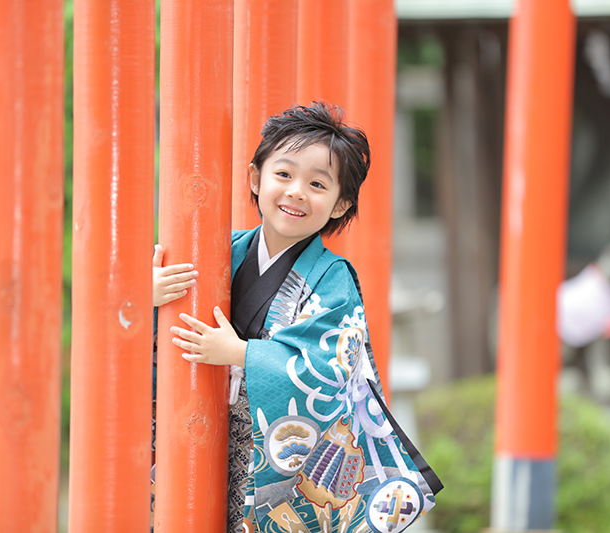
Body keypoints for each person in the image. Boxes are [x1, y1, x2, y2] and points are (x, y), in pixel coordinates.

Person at [153, 102, 441, 533]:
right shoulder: (215, 250)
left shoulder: (332, 278)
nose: (296, 192)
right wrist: (151, 296)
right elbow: (138, 317)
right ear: (256, 177)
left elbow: (329, 367)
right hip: (199, 436)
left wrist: (241, 353)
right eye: (283, 174)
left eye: (317, 184)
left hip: (266, 460)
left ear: (341, 204)